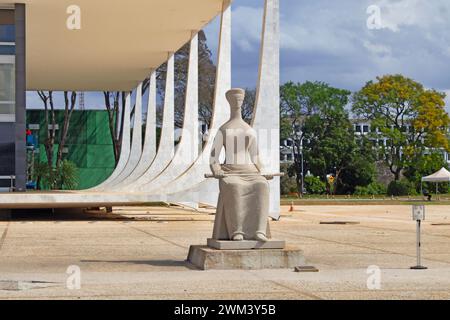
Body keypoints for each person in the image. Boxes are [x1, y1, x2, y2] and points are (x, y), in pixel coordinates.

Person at [209, 88, 273, 242]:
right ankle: (237, 231)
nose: (237, 102)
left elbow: (255, 155)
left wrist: (263, 171)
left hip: (250, 171)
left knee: (262, 185)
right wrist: (216, 169)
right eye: (234, 100)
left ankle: (259, 230)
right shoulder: (223, 129)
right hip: (230, 172)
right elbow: (213, 157)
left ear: (243, 102)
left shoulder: (248, 129)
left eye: (240, 100)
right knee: (234, 187)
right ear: (229, 102)